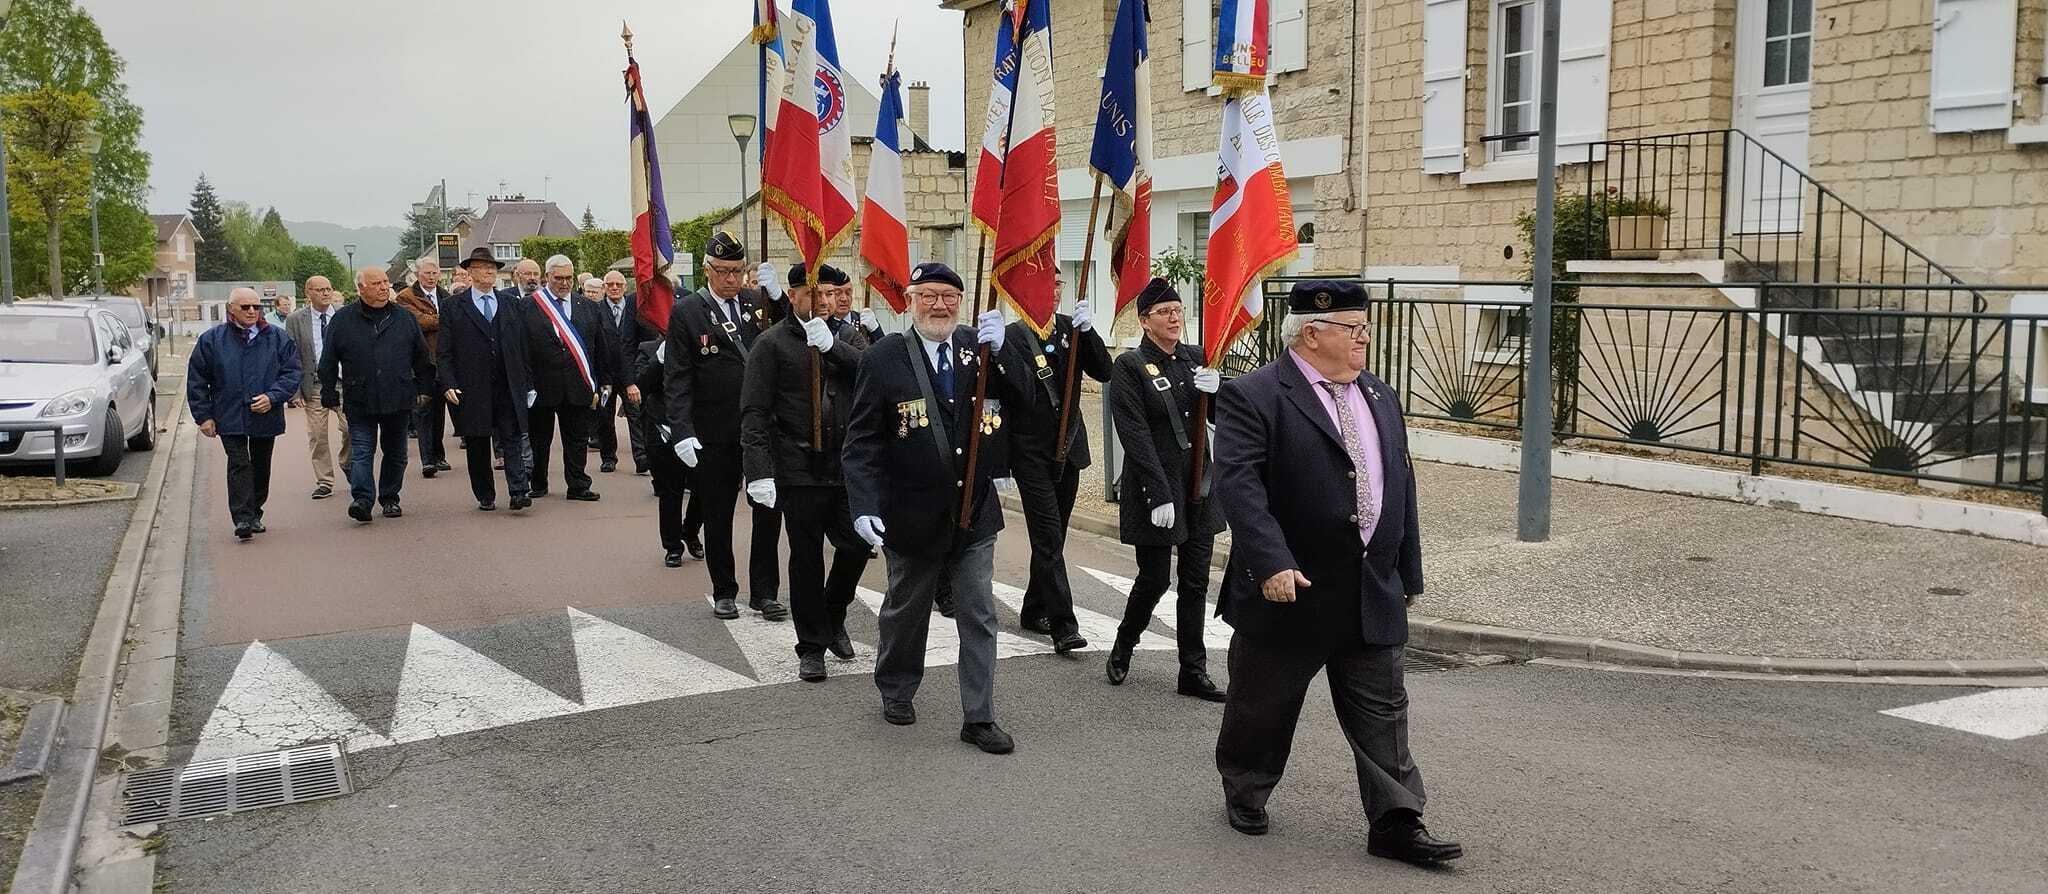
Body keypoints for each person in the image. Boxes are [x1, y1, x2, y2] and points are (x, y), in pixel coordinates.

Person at [1210, 280, 1459, 865]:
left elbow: (1399, 485)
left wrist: (1407, 573)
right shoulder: (1255, 395)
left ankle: (1397, 820)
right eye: (1355, 329)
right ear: (1312, 333)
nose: (1365, 338)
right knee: (1263, 706)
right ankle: (1245, 787)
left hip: (1369, 587)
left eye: (1366, 327)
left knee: (1384, 712)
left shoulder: (1378, 395)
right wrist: (1271, 561)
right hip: (1291, 588)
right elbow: (1240, 487)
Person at [843, 262, 1026, 755]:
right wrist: (863, 505)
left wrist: (1007, 353)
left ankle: (980, 716)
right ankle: (897, 687)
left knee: (979, 613)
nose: (939, 305)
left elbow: (1025, 402)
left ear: (960, 302)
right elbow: (861, 439)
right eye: (929, 296)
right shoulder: (884, 356)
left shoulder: (979, 347)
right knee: (907, 609)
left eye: (948, 296)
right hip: (910, 512)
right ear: (910, 300)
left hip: (974, 513)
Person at [742, 263, 868, 683]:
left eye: (832, 294)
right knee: (807, 558)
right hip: (799, 467)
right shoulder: (771, 344)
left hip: (846, 466)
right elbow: (755, 413)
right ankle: (811, 645)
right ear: (793, 296)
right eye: (816, 294)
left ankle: (834, 614)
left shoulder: (848, 337)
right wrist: (759, 471)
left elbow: (870, 373)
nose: (826, 302)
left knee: (855, 545)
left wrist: (834, 347)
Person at [1104, 278, 1228, 701]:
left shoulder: (1196, 358)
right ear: (1144, 321)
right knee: (1155, 578)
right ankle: (1125, 642)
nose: (1175, 317)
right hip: (1155, 489)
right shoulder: (1130, 366)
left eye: (1178, 310)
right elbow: (1134, 433)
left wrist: (1220, 390)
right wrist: (1159, 494)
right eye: (1164, 312)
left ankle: (1192, 671)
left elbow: (1224, 415)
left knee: (1194, 582)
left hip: (1199, 485)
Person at [662, 232, 785, 621]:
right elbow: (677, 377)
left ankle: (765, 591)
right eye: (724, 272)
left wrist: (778, 298)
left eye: (737, 271)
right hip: (713, 429)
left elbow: (788, 335)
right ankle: (724, 589)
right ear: (707, 269)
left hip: (760, 428)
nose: (731, 279)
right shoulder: (687, 312)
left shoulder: (757, 304)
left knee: (767, 510)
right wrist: (681, 430)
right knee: (717, 513)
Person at [1001, 284, 1110, 653]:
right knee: (1047, 536)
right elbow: (1012, 394)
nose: (1051, 293)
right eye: (1047, 286)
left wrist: (1089, 330)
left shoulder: (1071, 330)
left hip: (1069, 448)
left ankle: (1033, 609)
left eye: (1056, 286)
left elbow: (1104, 371)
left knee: (1055, 536)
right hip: (1029, 452)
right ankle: (1063, 624)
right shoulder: (1012, 337)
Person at [319, 267, 433, 523]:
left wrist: (425, 389)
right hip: (360, 396)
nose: (384, 287)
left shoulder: (404, 318)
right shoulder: (343, 320)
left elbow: (422, 357)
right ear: (361, 288)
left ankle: (390, 497)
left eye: (385, 282)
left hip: (398, 395)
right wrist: (328, 392)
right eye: (376, 284)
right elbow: (328, 360)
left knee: (396, 452)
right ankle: (362, 499)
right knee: (361, 450)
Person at [187, 287, 302, 540]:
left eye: (256, 307)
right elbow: (197, 379)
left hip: (264, 413)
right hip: (229, 413)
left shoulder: (277, 338)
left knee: (261, 464)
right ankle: (242, 518)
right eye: (245, 307)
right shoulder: (212, 339)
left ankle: (255, 511)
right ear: (231, 309)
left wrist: (272, 397)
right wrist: (203, 416)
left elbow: (292, 372)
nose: (252, 311)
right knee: (239, 463)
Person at [439, 248, 537, 512]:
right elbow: (444, 350)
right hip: (473, 386)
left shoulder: (510, 303)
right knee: (478, 442)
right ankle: (485, 493)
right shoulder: (453, 307)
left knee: (513, 437)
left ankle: (518, 491)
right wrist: (447, 382)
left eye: (493, 267)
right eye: (483, 267)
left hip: (508, 383)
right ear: (470, 272)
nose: (490, 271)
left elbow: (523, 346)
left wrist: (528, 383)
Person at [520, 255, 613, 501]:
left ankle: (578, 484)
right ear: (547, 277)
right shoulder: (529, 306)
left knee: (577, 439)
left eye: (568, 278)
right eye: (558, 278)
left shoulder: (589, 307)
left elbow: (599, 347)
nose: (564, 283)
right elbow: (522, 351)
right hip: (542, 386)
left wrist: (605, 379)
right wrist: (526, 384)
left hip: (577, 384)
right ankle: (538, 482)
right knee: (540, 440)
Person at [284, 276, 346, 499]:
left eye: (328, 289)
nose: (325, 293)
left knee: (351, 429)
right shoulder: (295, 319)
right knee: (318, 434)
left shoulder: (344, 314)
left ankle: (347, 464)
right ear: (308, 292)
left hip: (344, 382)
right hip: (316, 383)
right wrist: (295, 391)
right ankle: (325, 481)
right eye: (320, 290)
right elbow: (290, 356)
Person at [396, 259, 454, 478]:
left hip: (443, 361)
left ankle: (438, 455)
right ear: (418, 274)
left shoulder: (446, 296)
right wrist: (441, 320)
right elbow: (417, 321)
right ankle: (427, 460)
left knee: (439, 412)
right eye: (427, 273)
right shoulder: (406, 297)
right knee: (423, 411)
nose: (431, 277)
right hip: (420, 364)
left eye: (434, 272)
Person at [594, 270, 649, 474]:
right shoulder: (596, 310)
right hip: (605, 376)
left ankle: (641, 457)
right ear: (604, 288)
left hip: (631, 375)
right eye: (610, 284)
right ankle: (608, 457)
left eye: (618, 284)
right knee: (605, 417)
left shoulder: (636, 310)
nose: (614, 288)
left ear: (626, 287)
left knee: (636, 416)